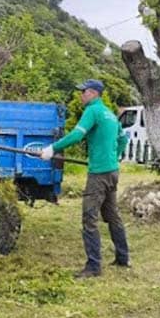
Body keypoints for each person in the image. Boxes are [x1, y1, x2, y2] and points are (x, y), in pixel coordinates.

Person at [40, 79, 130, 278]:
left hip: (98, 174)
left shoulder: (93, 111)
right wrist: (116, 156)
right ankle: (123, 258)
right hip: (112, 171)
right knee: (112, 215)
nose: (81, 95)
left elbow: (76, 135)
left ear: (93, 93)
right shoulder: (110, 114)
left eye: (83, 92)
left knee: (89, 218)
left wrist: (52, 149)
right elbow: (123, 138)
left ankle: (93, 266)